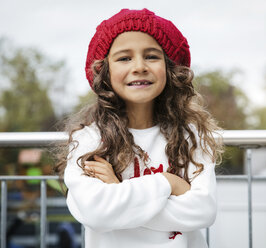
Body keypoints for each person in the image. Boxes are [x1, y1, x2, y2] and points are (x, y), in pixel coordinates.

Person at [54, 8, 223, 248]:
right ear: (105, 70)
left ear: (169, 68)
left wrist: (119, 192)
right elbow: (98, 213)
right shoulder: (90, 140)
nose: (139, 66)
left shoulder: (190, 136)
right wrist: (169, 183)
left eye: (152, 56)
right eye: (124, 58)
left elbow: (203, 211)